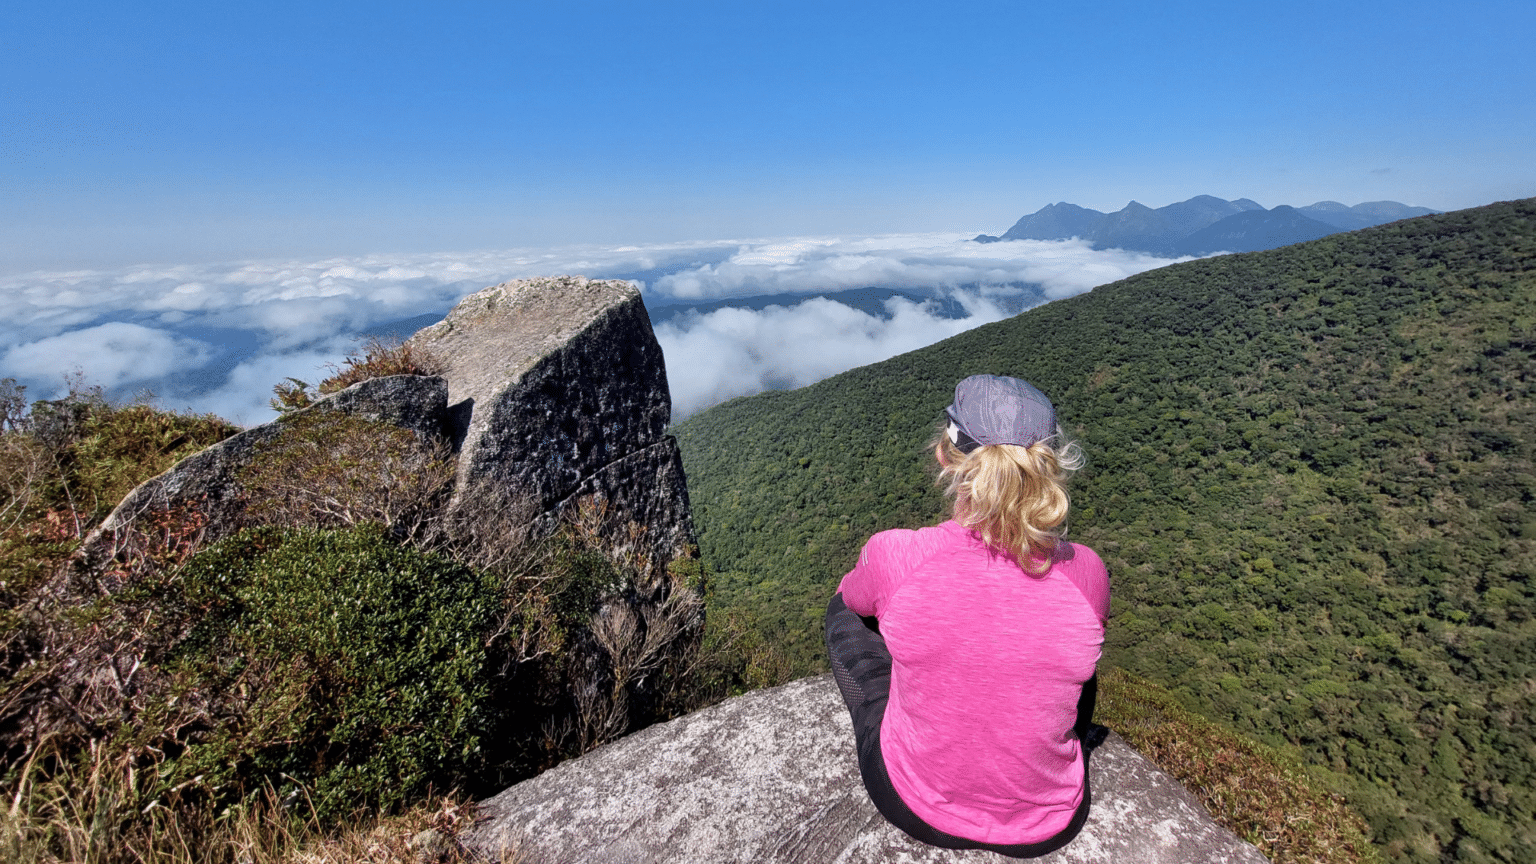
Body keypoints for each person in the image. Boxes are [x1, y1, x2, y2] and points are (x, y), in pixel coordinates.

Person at [824, 374, 1110, 857]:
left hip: (912, 802)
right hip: (1051, 821)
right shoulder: (1086, 572)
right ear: (1049, 468)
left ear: (946, 456)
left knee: (843, 612)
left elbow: (854, 598)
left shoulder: (898, 555)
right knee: (1075, 656)